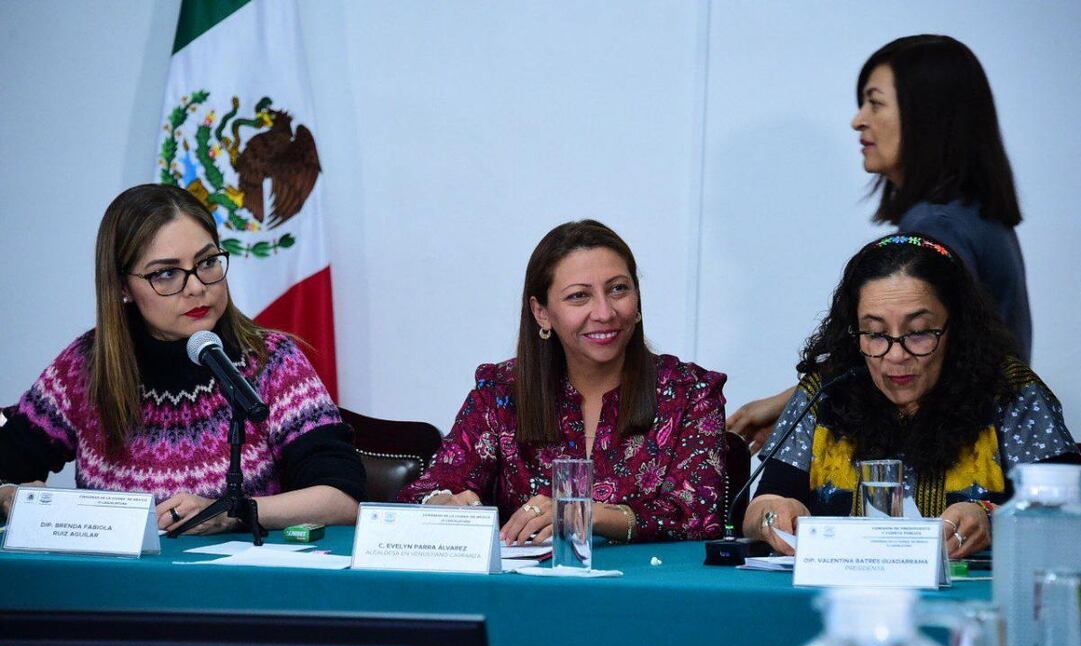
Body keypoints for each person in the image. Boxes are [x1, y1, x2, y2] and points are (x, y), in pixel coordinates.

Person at [0, 184, 364, 533]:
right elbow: (8, 468)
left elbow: (341, 498)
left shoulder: (272, 361)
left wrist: (234, 512)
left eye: (207, 262)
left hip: (237, 589)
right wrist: (12, 496)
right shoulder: (86, 367)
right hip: (112, 591)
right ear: (123, 287)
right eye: (166, 273)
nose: (196, 287)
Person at [731, 34, 1033, 449]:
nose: (858, 120)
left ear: (927, 115)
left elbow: (904, 355)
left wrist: (794, 402)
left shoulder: (937, 227)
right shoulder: (973, 214)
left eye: (875, 103)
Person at [741, 234, 1078, 558]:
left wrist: (992, 518)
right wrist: (771, 516)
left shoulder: (1011, 392)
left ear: (956, 327)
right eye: (874, 334)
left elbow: (1069, 513)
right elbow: (759, 508)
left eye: (918, 333)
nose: (896, 355)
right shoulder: (825, 392)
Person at [398, 220, 728, 544]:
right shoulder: (500, 392)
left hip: (648, 590)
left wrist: (586, 513)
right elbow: (429, 488)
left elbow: (697, 515)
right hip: (529, 592)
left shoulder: (690, 392)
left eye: (618, 289)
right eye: (578, 296)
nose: (604, 312)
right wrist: (442, 504)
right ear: (542, 313)